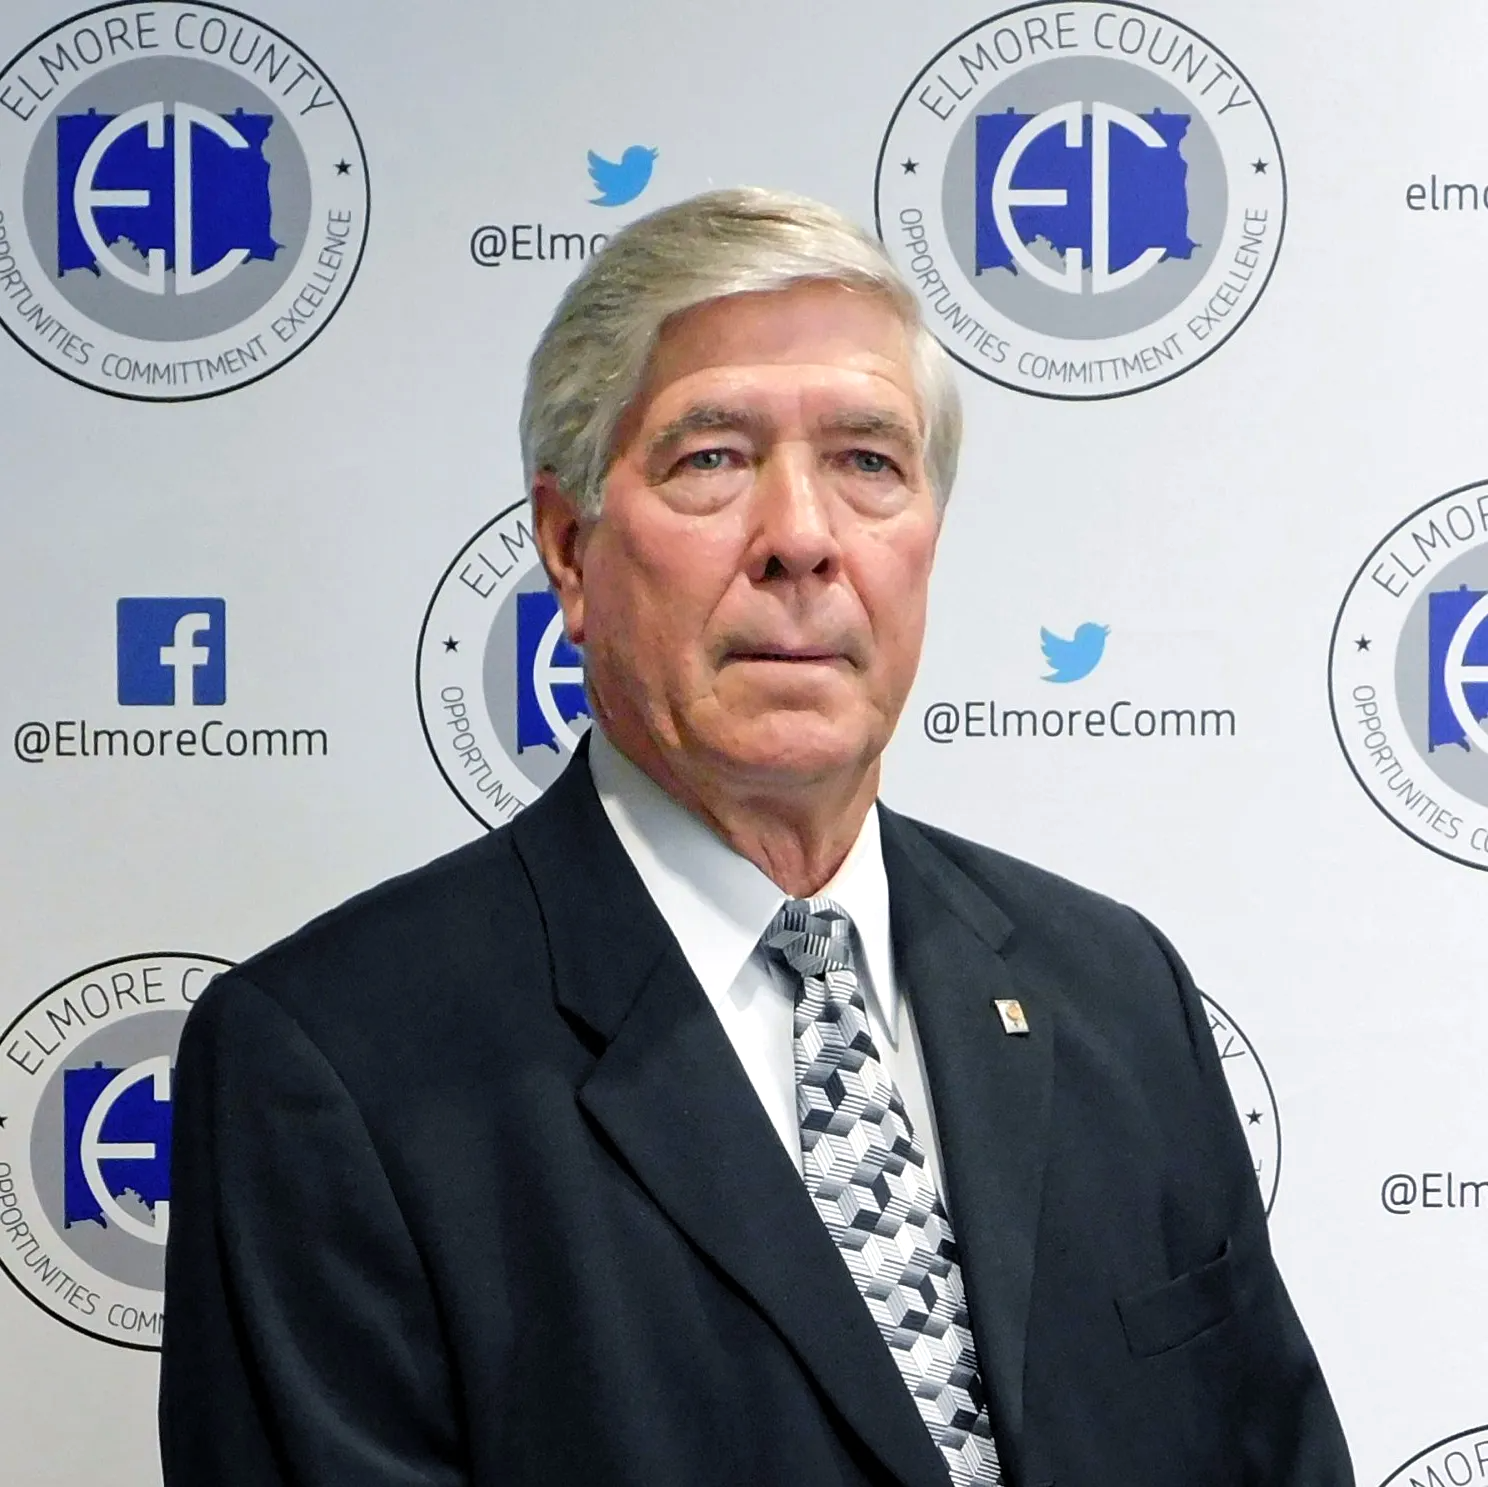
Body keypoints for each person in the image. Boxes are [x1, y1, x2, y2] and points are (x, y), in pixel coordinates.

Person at [160, 188, 1354, 1487]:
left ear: (927, 543)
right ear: (570, 549)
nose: (802, 539)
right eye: (713, 457)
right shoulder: (332, 1063)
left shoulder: (1115, 989)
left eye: (868, 462)